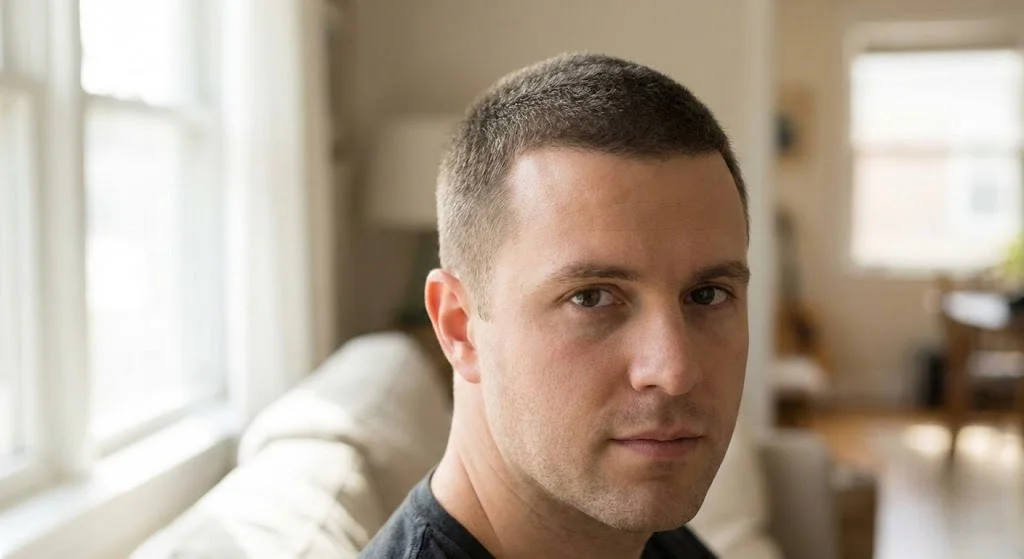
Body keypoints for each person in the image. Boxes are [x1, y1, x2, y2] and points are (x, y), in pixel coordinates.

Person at [360, 52, 750, 559]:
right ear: (459, 327)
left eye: (707, 294)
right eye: (591, 298)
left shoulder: (659, 543)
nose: (673, 371)